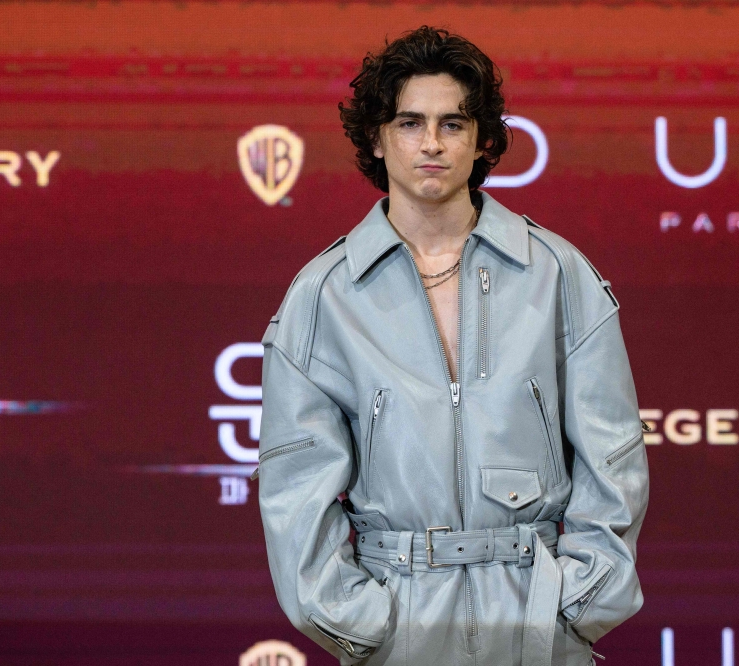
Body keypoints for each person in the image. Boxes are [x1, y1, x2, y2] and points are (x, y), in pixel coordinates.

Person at [255, 26, 649, 666]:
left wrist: (577, 602)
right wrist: (363, 622)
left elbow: (615, 458)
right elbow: (295, 487)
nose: (432, 143)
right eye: (410, 123)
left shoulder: (557, 273)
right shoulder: (323, 295)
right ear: (377, 139)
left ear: (481, 139)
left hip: (538, 619)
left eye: (453, 123)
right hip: (398, 622)